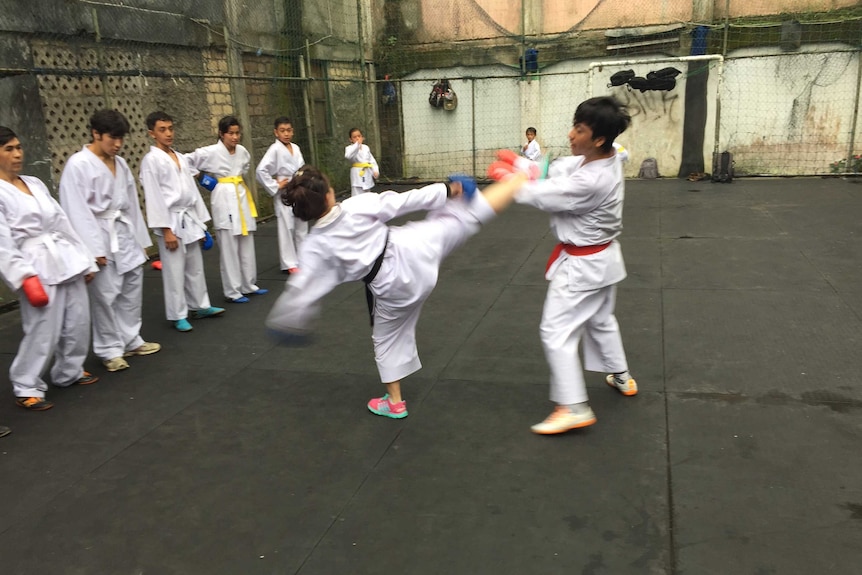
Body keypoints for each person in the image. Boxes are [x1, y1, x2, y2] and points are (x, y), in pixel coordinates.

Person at [266, 167, 527, 419]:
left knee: (385, 339)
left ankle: (395, 403)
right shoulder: (356, 206)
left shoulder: (314, 247)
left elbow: (302, 287)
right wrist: (449, 190)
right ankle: (523, 177)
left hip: (392, 287)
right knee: (464, 216)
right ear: (328, 195)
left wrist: (288, 318)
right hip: (415, 250)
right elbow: (405, 201)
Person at [490, 96, 637, 435]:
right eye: (574, 126)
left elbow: (544, 194)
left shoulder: (591, 181)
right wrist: (529, 165)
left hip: (582, 268)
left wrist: (513, 180)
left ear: (599, 139)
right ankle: (621, 375)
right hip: (604, 262)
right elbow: (563, 168)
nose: (571, 135)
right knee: (600, 320)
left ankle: (573, 407)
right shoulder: (609, 157)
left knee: (555, 331)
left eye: (580, 130)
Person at [0, 126, 99, 410]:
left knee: (78, 319)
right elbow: (2, 243)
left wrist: (85, 258)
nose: (18, 154)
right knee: (43, 329)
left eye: (18, 147)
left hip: (65, 257)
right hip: (34, 264)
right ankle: (26, 384)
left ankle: (69, 370)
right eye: (9, 149)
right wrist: (22, 276)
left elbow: (61, 222)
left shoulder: (34, 182)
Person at [59, 109, 160, 373]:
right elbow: (75, 210)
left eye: (121, 139)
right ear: (96, 133)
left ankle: (131, 339)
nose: (117, 144)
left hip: (124, 232)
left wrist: (141, 238)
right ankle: (109, 350)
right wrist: (93, 250)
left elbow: (131, 205)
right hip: (99, 233)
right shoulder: (78, 164)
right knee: (105, 296)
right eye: (112, 138)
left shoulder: (122, 163)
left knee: (131, 289)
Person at [139, 111, 225, 332]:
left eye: (170, 128)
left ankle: (200, 305)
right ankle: (178, 314)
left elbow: (192, 192)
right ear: (151, 133)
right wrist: (166, 229)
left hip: (188, 216)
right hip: (171, 219)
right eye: (162, 129)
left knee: (195, 266)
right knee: (174, 269)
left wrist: (202, 223)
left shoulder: (179, 156)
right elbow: (154, 197)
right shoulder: (151, 160)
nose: (168, 133)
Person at [186, 115, 268, 303]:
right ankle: (233, 291)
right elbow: (186, 161)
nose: (235, 137)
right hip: (223, 194)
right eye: (230, 133)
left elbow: (245, 168)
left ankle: (248, 284)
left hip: (239, 192)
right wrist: (201, 177)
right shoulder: (211, 152)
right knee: (229, 244)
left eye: (237, 133)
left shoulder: (242, 152)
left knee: (246, 241)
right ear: (222, 134)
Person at [255, 116, 306, 274]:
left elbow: (303, 167)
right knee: (286, 227)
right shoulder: (275, 149)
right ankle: (289, 263)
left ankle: (304, 258)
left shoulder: (296, 148)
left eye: (289, 130)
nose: (286, 134)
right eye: (282, 131)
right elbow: (260, 170)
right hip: (284, 192)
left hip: (298, 189)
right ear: (276, 132)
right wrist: (276, 185)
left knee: (301, 225)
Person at [344, 128, 379, 197]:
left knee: (368, 194)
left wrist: (375, 170)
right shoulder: (349, 148)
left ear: (362, 137)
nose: (357, 138)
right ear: (350, 139)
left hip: (367, 172)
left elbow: (371, 161)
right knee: (357, 195)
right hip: (357, 174)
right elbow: (348, 156)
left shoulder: (366, 148)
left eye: (359, 136)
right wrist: (357, 145)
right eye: (354, 137)